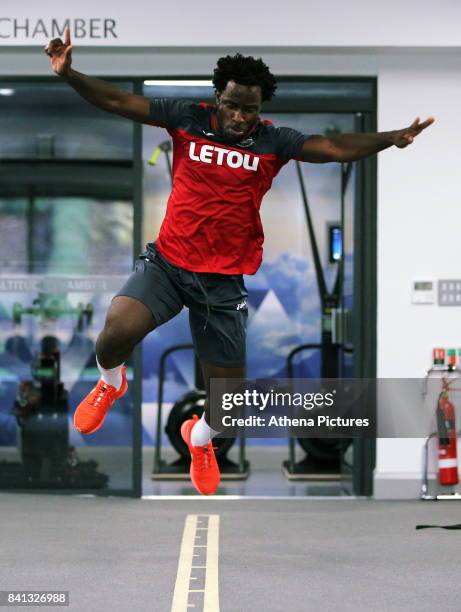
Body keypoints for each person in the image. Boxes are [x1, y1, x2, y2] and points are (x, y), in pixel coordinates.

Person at [45, 27, 434, 496]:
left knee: (227, 407)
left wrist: (393, 137)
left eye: (250, 108)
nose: (239, 116)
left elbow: (331, 150)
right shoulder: (188, 118)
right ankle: (111, 383)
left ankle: (201, 440)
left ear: (261, 108)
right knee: (116, 330)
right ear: (218, 96)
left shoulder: (273, 141)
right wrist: (69, 74)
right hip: (168, 263)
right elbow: (118, 102)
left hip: (223, 281)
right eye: (232, 104)